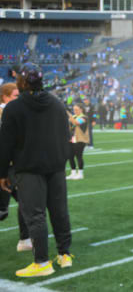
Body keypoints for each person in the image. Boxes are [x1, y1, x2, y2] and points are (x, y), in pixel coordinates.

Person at [0, 63, 73, 277]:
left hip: (29, 169)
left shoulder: (13, 108)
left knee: (35, 215)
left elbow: (5, 144)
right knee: (60, 212)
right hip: (56, 167)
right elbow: (65, 136)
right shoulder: (57, 103)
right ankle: (64, 254)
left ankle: (42, 262)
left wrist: (2, 173)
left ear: (21, 82)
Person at [0, 82, 32, 252]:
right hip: (6, 167)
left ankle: (25, 239)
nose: (18, 99)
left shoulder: (12, 111)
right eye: (15, 96)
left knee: (25, 201)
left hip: (12, 167)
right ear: (5, 97)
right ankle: (25, 239)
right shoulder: (6, 111)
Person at [67, 103, 89, 180]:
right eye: (74, 109)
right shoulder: (74, 116)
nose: (75, 111)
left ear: (81, 109)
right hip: (72, 139)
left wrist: (69, 115)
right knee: (70, 156)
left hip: (80, 139)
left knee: (78, 156)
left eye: (76, 109)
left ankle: (80, 174)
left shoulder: (84, 117)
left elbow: (76, 123)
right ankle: (73, 173)